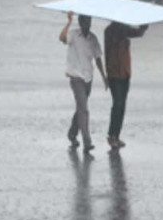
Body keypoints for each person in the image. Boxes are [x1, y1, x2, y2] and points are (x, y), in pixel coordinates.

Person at [60, 12, 108, 155]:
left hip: (88, 78)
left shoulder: (93, 39)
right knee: (84, 110)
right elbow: (62, 38)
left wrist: (104, 77)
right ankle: (87, 141)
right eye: (84, 22)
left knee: (81, 108)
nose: (87, 24)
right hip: (75, 78)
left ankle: (72, 134)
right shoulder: (74, 35)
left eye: (89, 21)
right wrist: (68, 22)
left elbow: (98, 58)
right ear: (80, 23)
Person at [104, 22, 149, 149]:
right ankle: (112, 135)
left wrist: (144, 26)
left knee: (121, 105)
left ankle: (116, 135)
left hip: (125, 72)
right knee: (118, 105)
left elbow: (138, 33)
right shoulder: (110, 30)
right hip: (115, 74)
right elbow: (109, 49)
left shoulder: (123, 29)